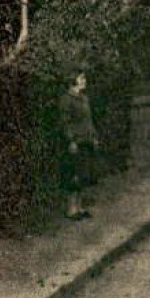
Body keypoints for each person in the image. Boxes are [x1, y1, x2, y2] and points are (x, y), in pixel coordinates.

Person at [58, 70, 100, 221]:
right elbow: (65, 123)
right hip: (76, 142)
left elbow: (89, 120)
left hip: (86, 140)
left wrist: (94, 137)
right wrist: (71, 141)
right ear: (72, 80)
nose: (84, 80)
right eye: (81, 78)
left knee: (83, 175)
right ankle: (71, 209)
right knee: (73, 175)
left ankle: (80, 208)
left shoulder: (84, 98)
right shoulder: (66, 100)